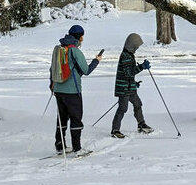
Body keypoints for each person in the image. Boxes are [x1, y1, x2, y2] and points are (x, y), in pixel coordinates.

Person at [50, 25, 101, 156]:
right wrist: (96, 60)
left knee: (61, 119)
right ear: (80, 37)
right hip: (72, 91)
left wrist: (52, 85)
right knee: (76, 119)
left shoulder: (59, 48)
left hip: (58, 90)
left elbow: (52, 69)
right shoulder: (75, 51)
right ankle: (77, 149)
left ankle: (60, 146)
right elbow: (86, 70)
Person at [111, 33, 153, 138]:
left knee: (138, 104)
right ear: (132, 44)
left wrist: (134, 83)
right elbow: (128, 73)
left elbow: (129, 74)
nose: (137, 48)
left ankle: (141, 124)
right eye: (136, 46)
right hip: (124, 89)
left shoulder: (129, 55)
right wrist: (142, 67)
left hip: (130, 87)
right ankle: (115, 130)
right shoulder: (125, 56)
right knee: (122, 108)